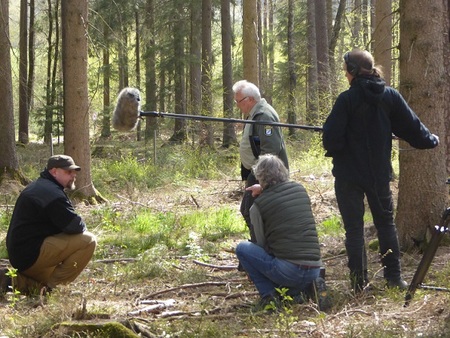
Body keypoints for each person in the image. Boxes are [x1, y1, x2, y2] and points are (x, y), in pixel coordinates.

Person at [322, 49, 440, 293]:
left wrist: (341, 142)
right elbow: (414, 129)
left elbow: (331, 141)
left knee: (353, 230)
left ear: (352, 71)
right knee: (386, 225)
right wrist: (431, 139)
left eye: (346, 68)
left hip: (348, 177)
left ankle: (359, 284)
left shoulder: (346, 100)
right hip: (378, 175)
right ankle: (394, 279)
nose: (345, 73)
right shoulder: (390, 96)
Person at [235, 154, 329, 311]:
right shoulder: (300, 189)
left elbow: (261, 244)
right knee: (293, 290)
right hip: (315, 268)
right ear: (283, 170)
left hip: (288, 271)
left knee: (243, 248)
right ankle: (308, 287)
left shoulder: (258, 205)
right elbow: (281, 193)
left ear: (259, 177)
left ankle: (269, 297)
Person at [2, 154, 97, 295]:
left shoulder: (42, 186)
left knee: (50, 276)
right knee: (88, 240)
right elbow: (75, 226)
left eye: (74, 172)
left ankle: (17, 282)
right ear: (54, 171)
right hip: (32, 254)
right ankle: (53, 290)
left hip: (22, 256)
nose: (73, 175)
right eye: (68, 172)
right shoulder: (51, 193)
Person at [232, 80, 289, 244]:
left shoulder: (264, 115)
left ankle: (262, 250)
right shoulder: (255, 114)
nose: (237, 105)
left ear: (250, 99)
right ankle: (259, 247)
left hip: (266, 175)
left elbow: (270, 149)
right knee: (251, 210)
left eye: (239, 101)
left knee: (252, 211)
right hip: (257, 172)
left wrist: (261, 179)